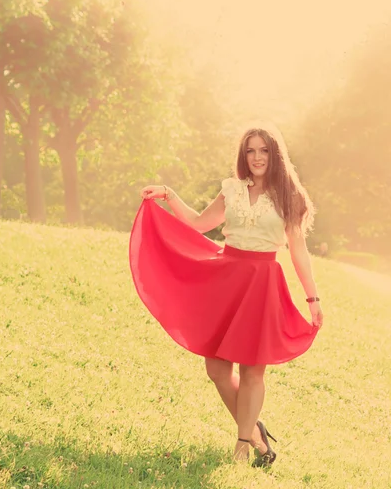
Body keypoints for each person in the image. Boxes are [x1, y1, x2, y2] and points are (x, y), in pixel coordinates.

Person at [129, 121, 323, 467]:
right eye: (250, 150)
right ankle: (256, 433)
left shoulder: (288, 196)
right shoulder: (231, 189)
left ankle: (242, 448)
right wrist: (169, 194)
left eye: (264, 150)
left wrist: (313, 299)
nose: (257, 157)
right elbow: (198, 223)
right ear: (243, 155)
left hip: (262, 283)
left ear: (275, 154)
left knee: (252, 371)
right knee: (217, 370)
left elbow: (298, 251)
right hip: (227, 279)